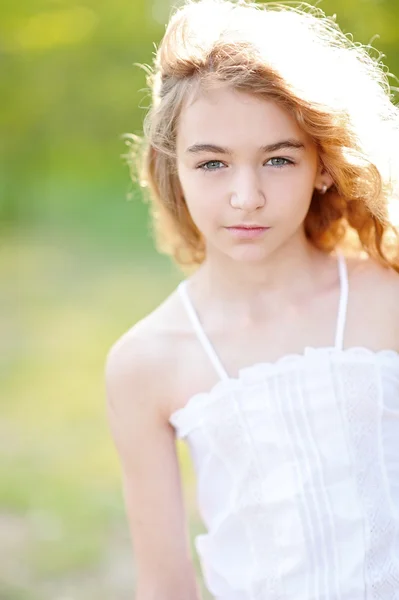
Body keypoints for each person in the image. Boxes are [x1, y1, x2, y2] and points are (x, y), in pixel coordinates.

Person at [104, 0, 399, 598]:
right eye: (212, 162)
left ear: (323, 164)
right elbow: (164, 586)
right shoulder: (147, 363)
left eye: (278, 159)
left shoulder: (386, 297)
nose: (246, 197)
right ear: (173, 169)